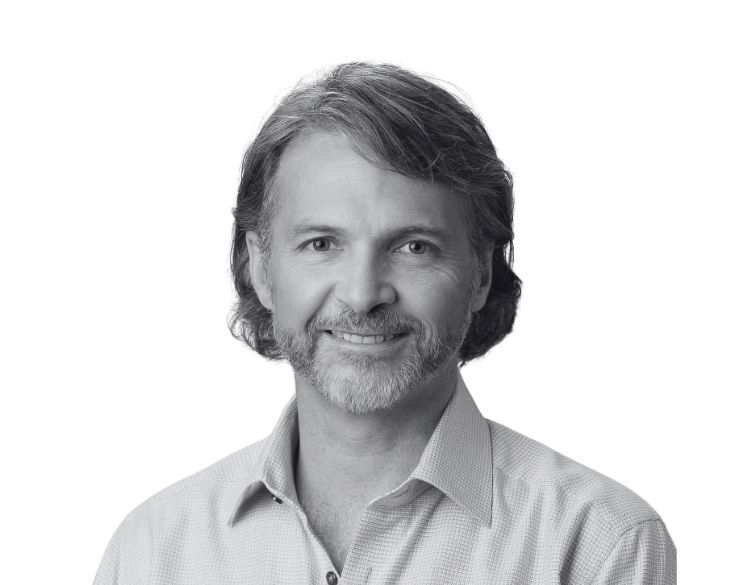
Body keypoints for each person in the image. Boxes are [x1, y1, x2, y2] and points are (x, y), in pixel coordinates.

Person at [93, 62, 676, 584]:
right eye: (322, 243)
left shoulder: (597, 546)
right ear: (261, 269)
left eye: (414, 246)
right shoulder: (153, 553)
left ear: (479, 274)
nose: (364, 294)